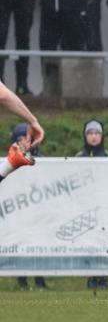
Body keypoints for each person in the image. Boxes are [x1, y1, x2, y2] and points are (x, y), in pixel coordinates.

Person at [75, 119, 108, 289]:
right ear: (85, 136)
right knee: (89, 241)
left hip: (105, 206)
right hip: (85, 206)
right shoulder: (79, 157)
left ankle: (104, 276)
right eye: (90, 133)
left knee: (104, 241)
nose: (94, 137)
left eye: (97, 133)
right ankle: (91, 276)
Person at [7, 122, 43, 289]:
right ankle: (22, 280)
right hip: (18, 207)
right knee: (20, 240)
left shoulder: (37, 161)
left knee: (39, 242)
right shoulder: (13, 157)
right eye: (20, 139)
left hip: (37, 208)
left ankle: (40, 280)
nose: (24, 142)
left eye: (26, 138)